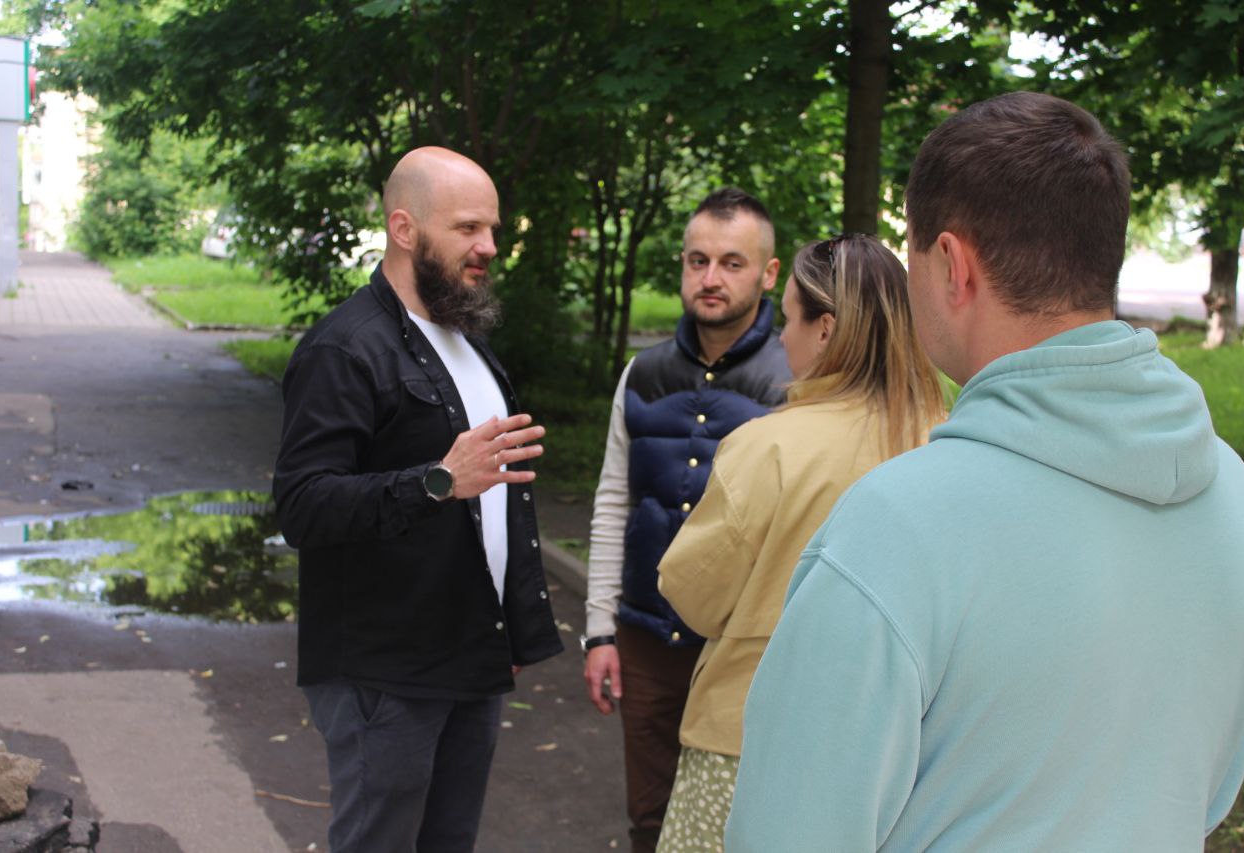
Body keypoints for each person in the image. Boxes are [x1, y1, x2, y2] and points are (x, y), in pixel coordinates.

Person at [725, 91, 1244, 851]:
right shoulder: (1232, 494)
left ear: (951, 264)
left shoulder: (894, 528)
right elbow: (1205, 789)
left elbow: (786, 833)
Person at [273, 146, 564, 853]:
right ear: (404, 228)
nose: (488, 247)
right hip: (386, 669)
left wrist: (507, 624)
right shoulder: (344, 349)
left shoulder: (467, 340)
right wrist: (437, 479)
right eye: (468, 228)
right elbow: (302, 505)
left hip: (470, 654)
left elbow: (495, 503)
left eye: (492, 229)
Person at [654, 234, 947, 850]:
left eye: (788, 318)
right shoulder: (946, 443)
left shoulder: (769, 447)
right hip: (902, 752)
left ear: (826, 329)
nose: (781, 336)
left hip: (750, 740)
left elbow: (692, 594)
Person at [582, 188, 792, 851]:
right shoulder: (640, 375)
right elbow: (614, 499)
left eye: (732, 262)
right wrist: (598, 630)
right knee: (650, 819)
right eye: (697, 260)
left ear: (769, 273)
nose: (710, 278)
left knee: (740, 826)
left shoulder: (800, 382)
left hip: (746, 650)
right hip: (646, 637)